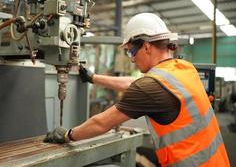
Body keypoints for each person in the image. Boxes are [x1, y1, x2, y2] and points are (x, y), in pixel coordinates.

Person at [44, 13, 230, 166]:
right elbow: (133, 83)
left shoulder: (150, 87)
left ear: (147, 47)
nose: (131, 59)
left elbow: (101, 123)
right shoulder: (183, 69)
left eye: (132, 52)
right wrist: (93, 78)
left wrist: (68, 135)